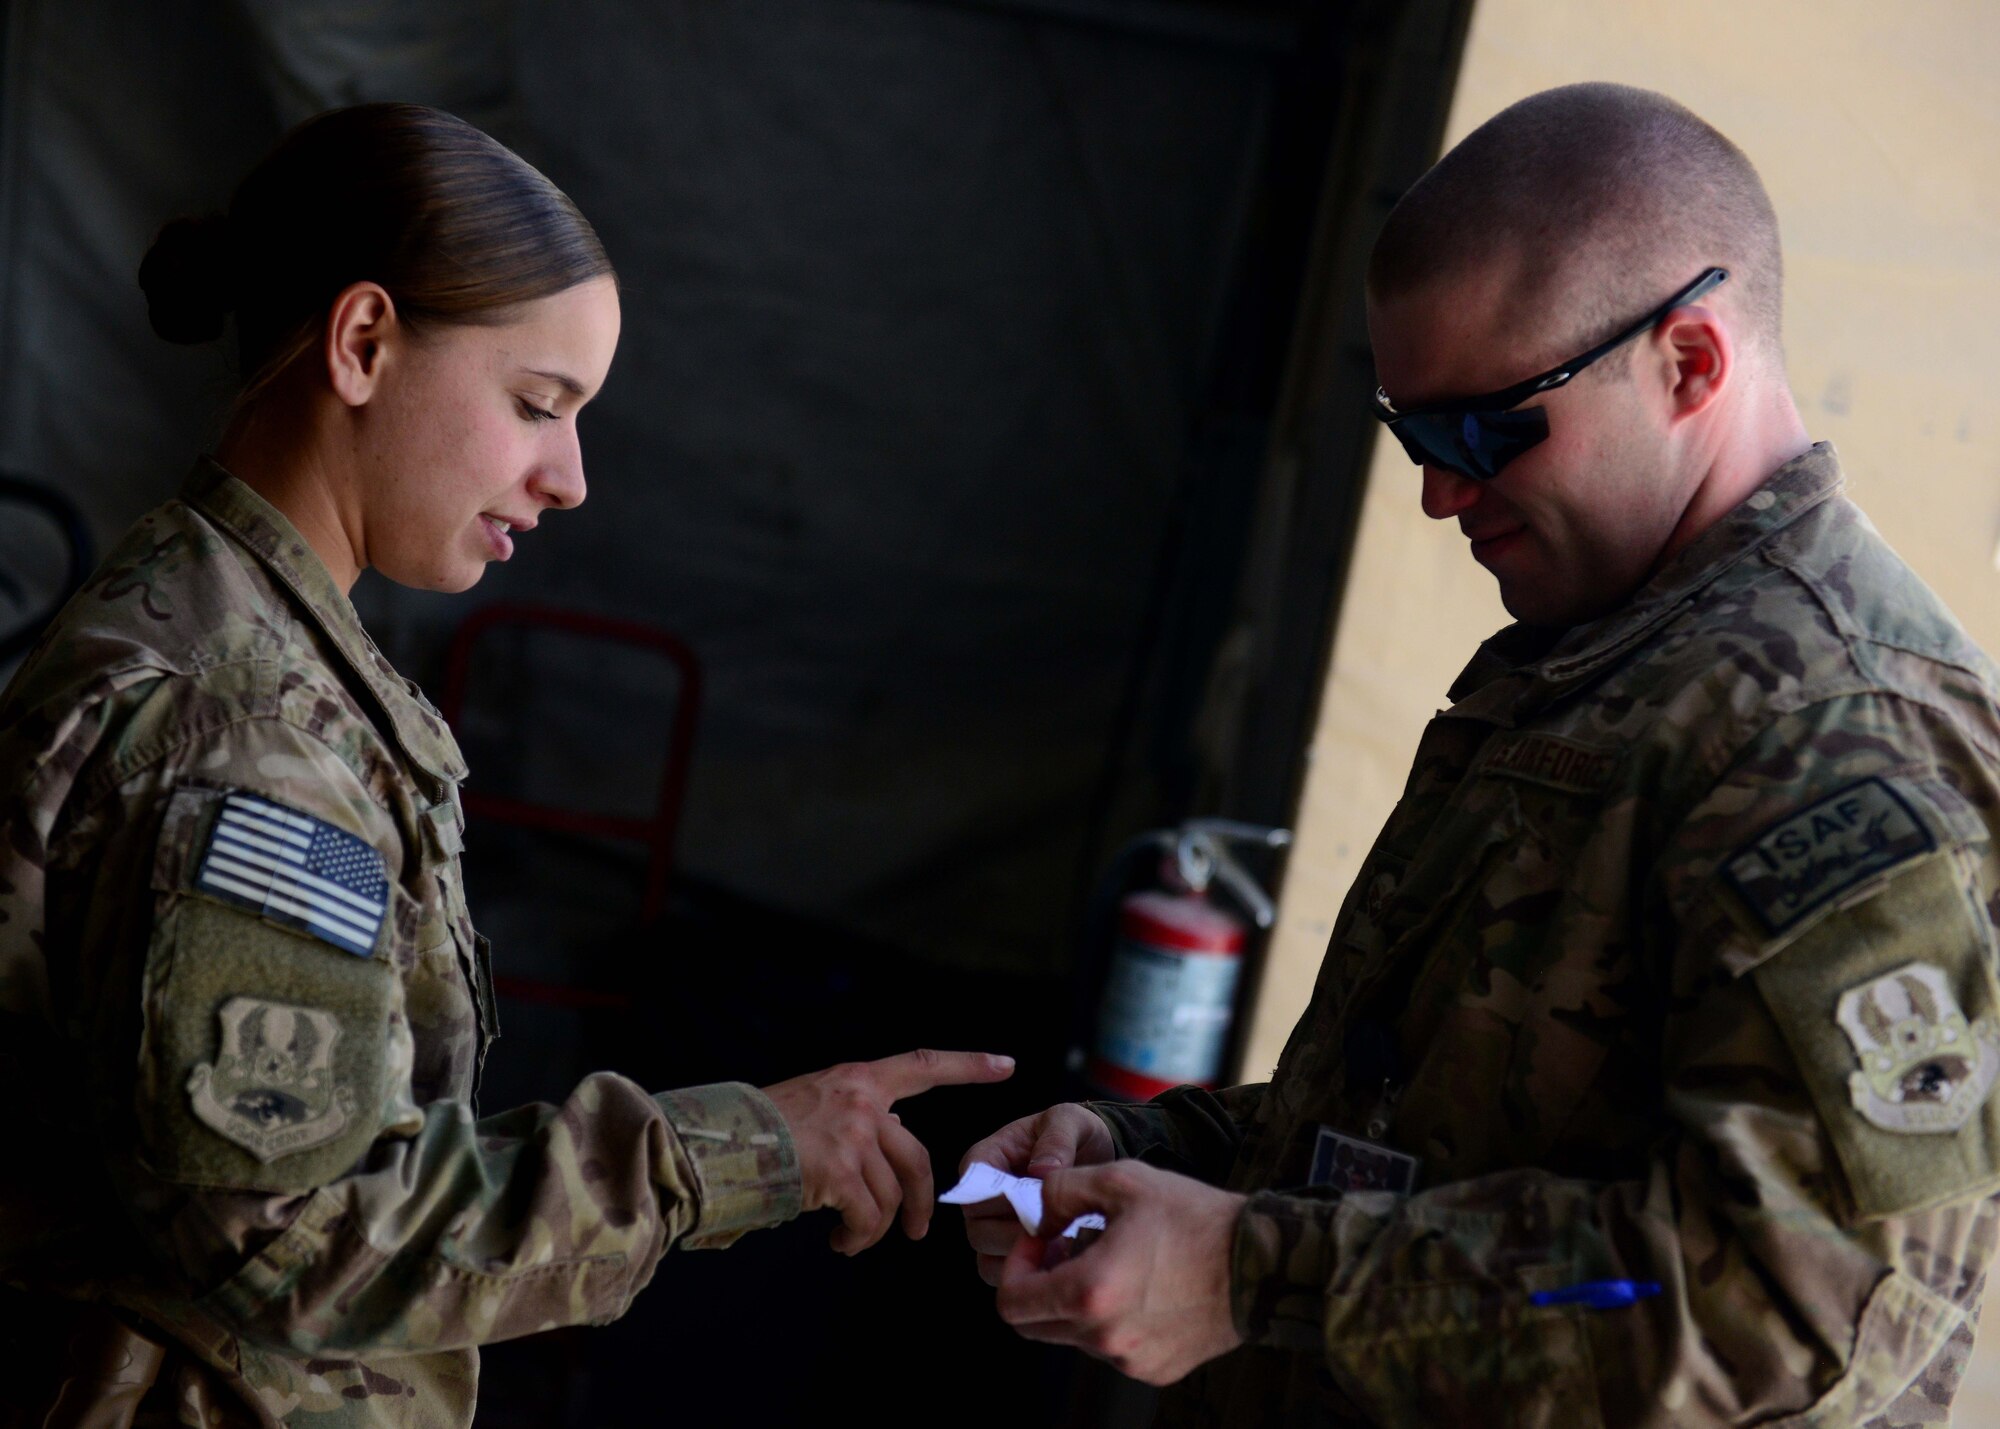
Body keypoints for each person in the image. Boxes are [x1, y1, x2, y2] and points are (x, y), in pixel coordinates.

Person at [959, 82, 2000, 1426]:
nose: (1441, 491)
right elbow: (1424, 1150)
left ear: (1689, 361)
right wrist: (1145, 1154)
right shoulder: (1623, 655)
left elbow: (1791, 1311)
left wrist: (1256, 1275)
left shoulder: (1836, 732)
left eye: (1486, 429)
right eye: (1412, 432)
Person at [0, 102, 1013, 1428]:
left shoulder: (204, 613)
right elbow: (307, 1238)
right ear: (364, 343)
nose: (572, 475)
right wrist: (750, 1148)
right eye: (538, 403)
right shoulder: (250, 735)